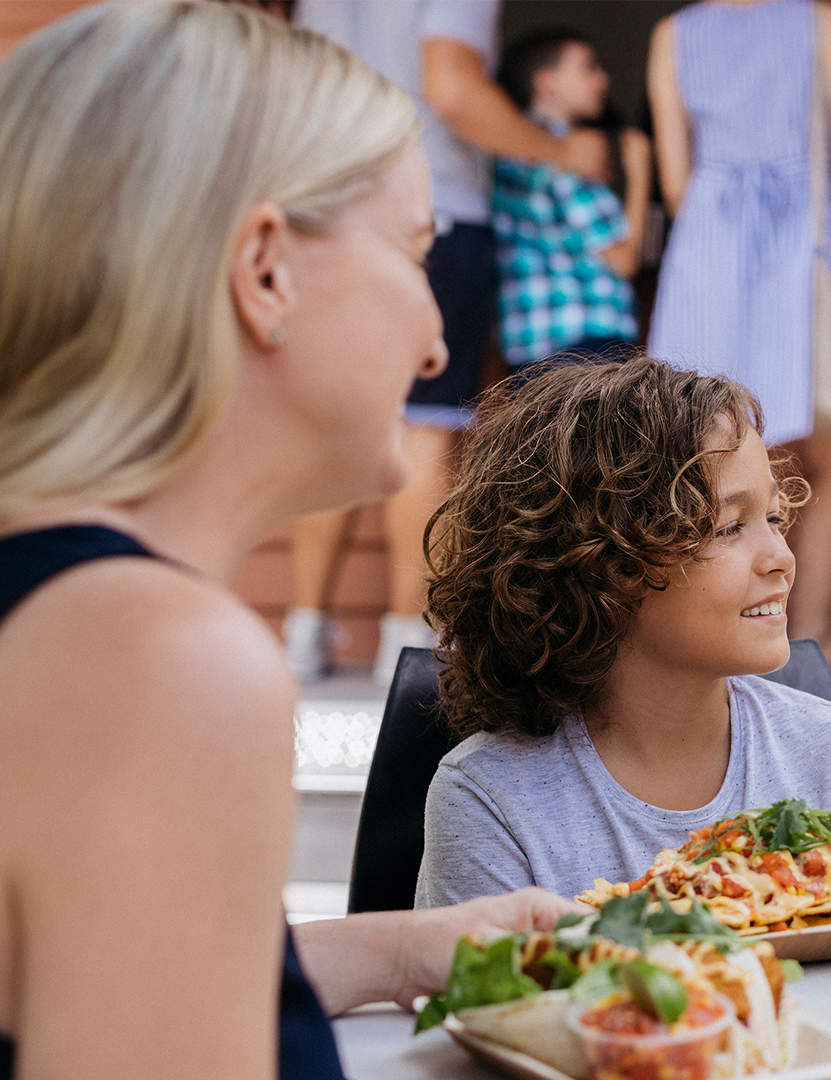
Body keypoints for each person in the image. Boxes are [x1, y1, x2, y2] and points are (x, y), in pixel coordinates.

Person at [0, 6, 581, 1079]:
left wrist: (403, 948)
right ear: (265, 268)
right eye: (418, 253)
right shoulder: (158, 660)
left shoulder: (62, 615)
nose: (438, 338)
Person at [413, 359, 831, 907]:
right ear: (600, 563)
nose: (782, 558)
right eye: (729, 526)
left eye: (776, 518)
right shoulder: (488, 801)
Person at [287, 0, 612, 686]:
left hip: (325, 205)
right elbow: (454, 87)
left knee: (338, 418)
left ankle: (304, 630)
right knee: (426, 425)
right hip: (429, 208)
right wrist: (562, 150)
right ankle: (407, 642)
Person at [646, 0, 831, 675]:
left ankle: (705, 631)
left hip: (707, 251)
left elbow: (674, 179)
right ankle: (810, 632)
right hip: (796, 247)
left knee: (699, 448)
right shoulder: (819, 21)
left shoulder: (673, 34)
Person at [492, 28, 650, 370]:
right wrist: (641, 175)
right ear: (547, 82)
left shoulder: (509, 150)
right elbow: (623, 259)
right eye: (588, 68)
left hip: (529, 342)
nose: (602, 78)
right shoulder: (566, 155)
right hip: (585, 342)